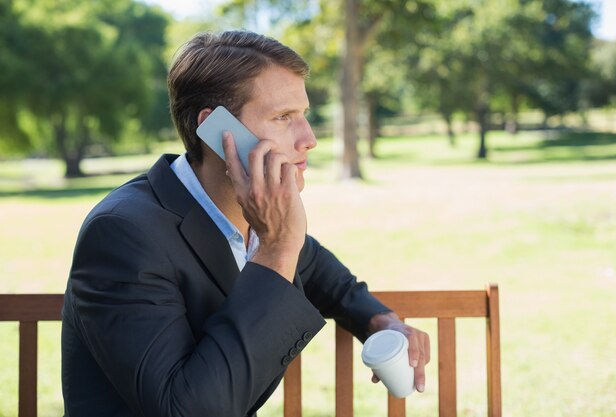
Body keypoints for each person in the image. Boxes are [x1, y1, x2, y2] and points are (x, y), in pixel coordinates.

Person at [61, 30, 430, 417]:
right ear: (219, 133)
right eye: (283, 117)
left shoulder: (252, 216)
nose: (309, 139)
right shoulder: (123, 234)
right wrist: (277, 248)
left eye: (304, 115)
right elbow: (185, 410)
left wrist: (380, 320)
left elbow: (322, 274)